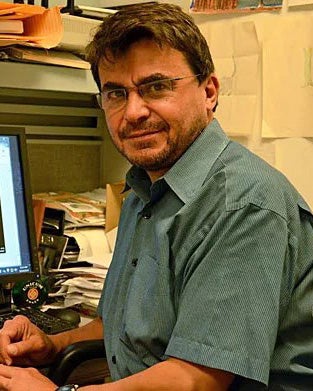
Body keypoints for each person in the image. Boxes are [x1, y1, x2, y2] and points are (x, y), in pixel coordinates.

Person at [0, 3, 312, 390]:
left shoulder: (242, 204)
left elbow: (195, 379)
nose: (133, 111)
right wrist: (51, 346)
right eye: (115, 93)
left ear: (209, 91)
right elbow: (126, 329)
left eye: (156, 86)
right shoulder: (145, 192)